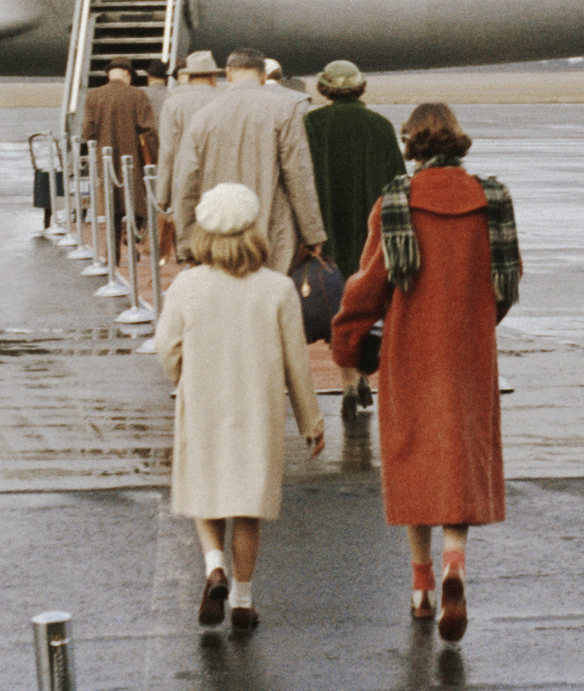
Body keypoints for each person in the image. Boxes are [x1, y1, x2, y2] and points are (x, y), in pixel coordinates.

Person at [330, 103, 522, 644]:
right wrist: (479, 320)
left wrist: (348, 338)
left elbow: (369, 284)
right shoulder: (495, 200)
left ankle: (420, 587)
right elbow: (507, 281)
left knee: (412, 455)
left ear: (412, 145)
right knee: (458, 456)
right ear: (458, 142)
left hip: (410, 348)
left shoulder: (395, 201)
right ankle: (454, 563)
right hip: (469, 347)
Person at [155, 183, 326, 630]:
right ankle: (244, 601)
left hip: (205, 402)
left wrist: (183, 379)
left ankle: (214, 566)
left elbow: (166, 348)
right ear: (254, 232)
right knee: (248, 505)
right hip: (257, 408)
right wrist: (311, 420)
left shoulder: (187, 286)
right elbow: (297, 362)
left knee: (206, 493)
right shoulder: (277, 288)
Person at [302, 60, 407, 416]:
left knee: (336, 308)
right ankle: (364, 375)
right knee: (369, 304)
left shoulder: (311, 124)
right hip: (371, 234)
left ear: (323, 88)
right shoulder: (380, 126)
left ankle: (347, 381)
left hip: (326, 231)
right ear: (361, 87)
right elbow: (399, 183)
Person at [171, 48, 325, 275]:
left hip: (218, 233)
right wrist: (312, 233)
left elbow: (186, 182)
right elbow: (298, 175)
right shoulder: (284, 111)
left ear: (228, 73)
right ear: (263, 76)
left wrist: (186, 242)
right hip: (272, 229)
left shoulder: (203, 117)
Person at [81, 55, 158, 262]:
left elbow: (87, 132)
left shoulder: (93, 96)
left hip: (106, 161)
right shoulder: (137, 95)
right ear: (126, 73)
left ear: (109, 74)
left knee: (112, 207)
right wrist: (156, 157)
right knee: (136, 204)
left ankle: (112, 253)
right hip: (132, 160)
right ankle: (132, 243)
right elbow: (148, 129)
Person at [154, 50, 224, 255]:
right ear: (212, 76)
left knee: (188, 231)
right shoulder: (224, 99)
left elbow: (166, 151)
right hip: (219, 174)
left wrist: (162, 194)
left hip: (182, 176)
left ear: (188, 76)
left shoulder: (172, 103)